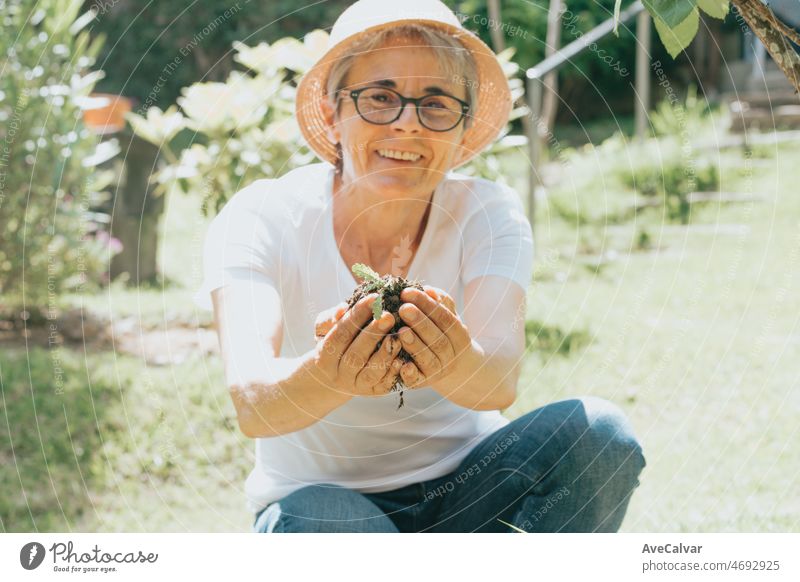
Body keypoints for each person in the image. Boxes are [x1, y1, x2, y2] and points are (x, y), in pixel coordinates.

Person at [193, 0, 645, 533]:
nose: (408, 124)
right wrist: (330, 372)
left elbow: (498, 380)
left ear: (461, 131)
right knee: (327, 522)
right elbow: (252, 402)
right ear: (334, 112)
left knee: (600, 438)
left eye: (436, 104)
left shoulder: (488, 212)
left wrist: (449, 360)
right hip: (325, 505)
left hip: (471, 489)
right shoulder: (261, 217)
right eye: (379, 98)